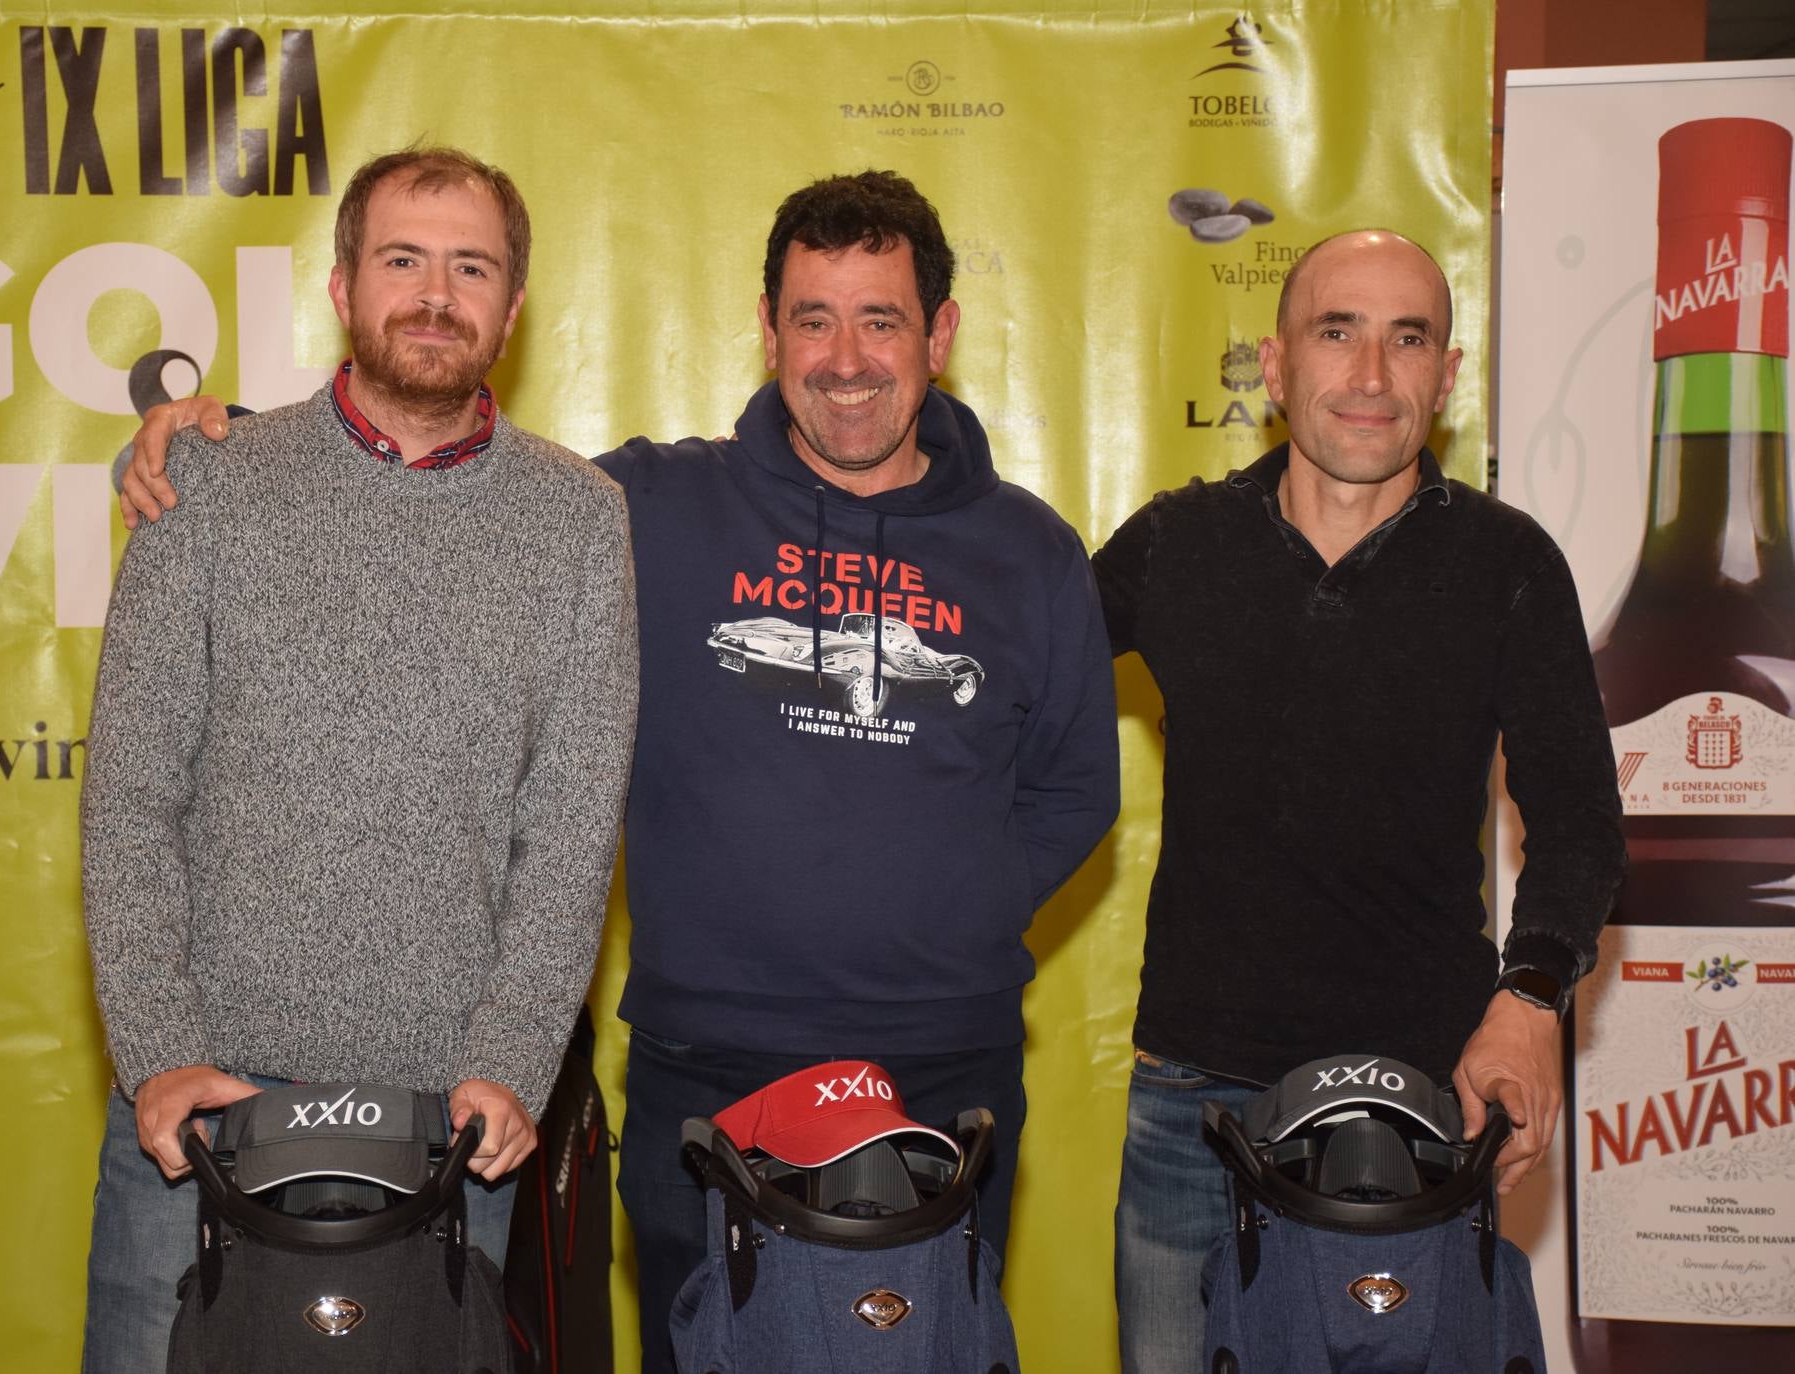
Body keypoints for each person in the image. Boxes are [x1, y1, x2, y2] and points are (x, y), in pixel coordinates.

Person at [116, 170, 1122, 1374]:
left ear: (940, 334)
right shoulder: (635, 505)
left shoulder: (1031, 550)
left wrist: (955, 909)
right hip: (706, 1064)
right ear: (768, 329)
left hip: (942, 1063)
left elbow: (1073, 790)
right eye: (813, 318)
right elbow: (437, 462)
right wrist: (203, 433)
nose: (844, 358)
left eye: (881, 320)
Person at [79, 145, 637, 1374]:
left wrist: (511, 1059)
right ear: (341, 287)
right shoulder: (207, 481)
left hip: (453, 1122)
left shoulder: (581, 519)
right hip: (207, 1110)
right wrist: (158, 1048)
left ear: (513, 304)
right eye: (402, 260)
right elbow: (130, 798)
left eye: (470, 266)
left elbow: (572, 830)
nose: (435, 294)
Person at [1091, 229, 1625, 1371]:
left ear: (1447, 372)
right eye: (1337, 332)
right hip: (1198, 1110)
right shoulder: (1177, 548)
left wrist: (1529, 1002)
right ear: (1275, 367)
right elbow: (997, 705)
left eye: (1408, 338)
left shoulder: (1509, 564)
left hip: (1427, 1107)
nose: (1372, 375)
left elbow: (1580, 825)